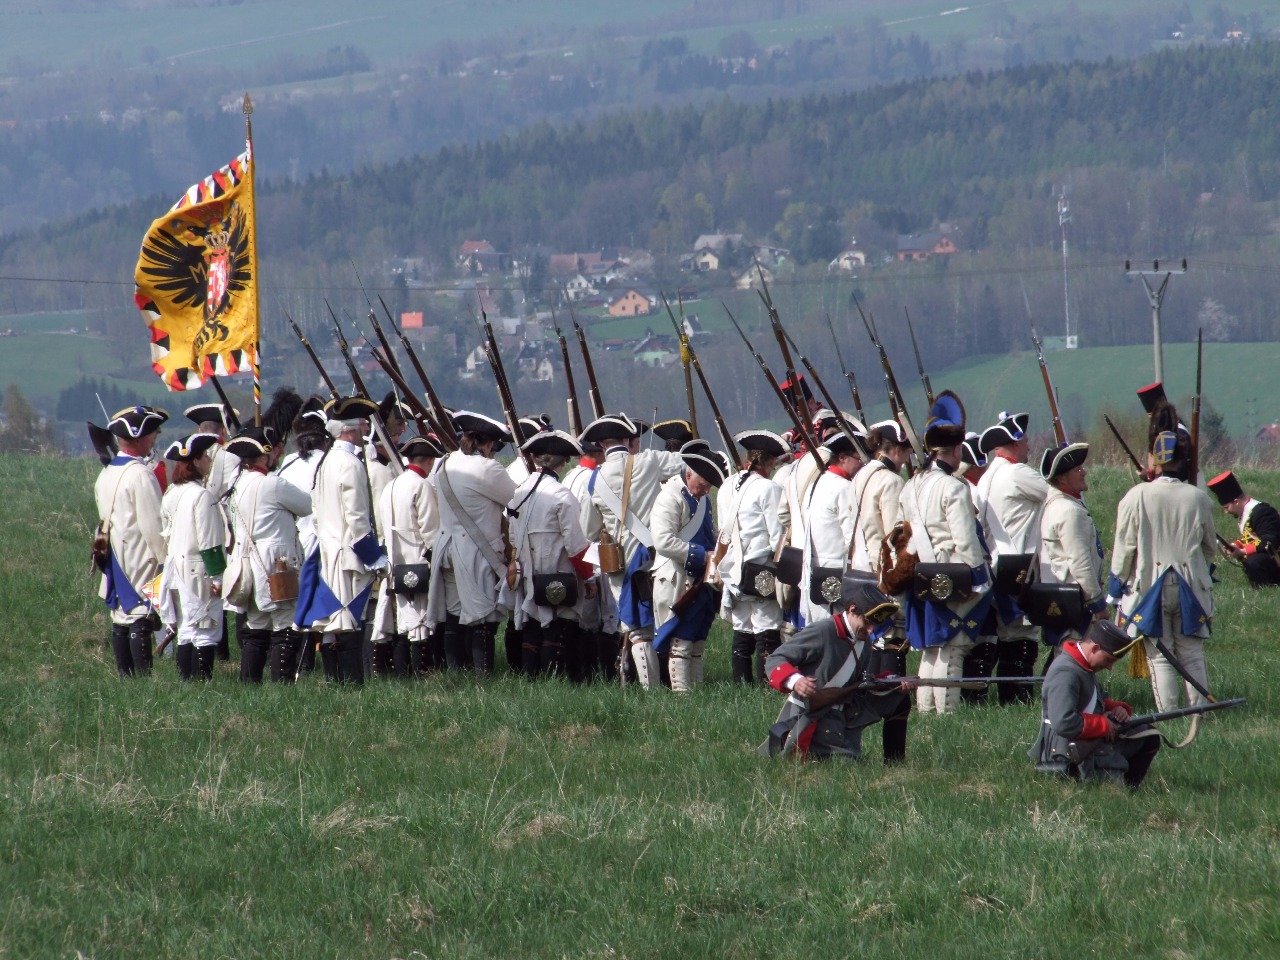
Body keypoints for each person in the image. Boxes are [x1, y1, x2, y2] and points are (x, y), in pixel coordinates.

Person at [1109, 399, 1216, 711]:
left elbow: (1124, 548)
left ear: (1155, 458)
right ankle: (1199, 713)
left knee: (1162, 654)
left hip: (1148, 585)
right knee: (1192, 653)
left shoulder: (1136, 496)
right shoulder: (1198, 498)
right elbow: (1210, 548)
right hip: (1191, 584)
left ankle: (1169, 715)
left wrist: (1116, 584)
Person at [897, 391, 993, 714]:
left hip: (922, 577)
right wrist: (979, 579)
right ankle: (946, 717)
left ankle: (926, 714)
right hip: (952, 578)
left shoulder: (911, 485)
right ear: (954, 451)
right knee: (951, 651)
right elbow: (966, 541)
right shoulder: (952, 487)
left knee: (930, 652)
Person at [579, 412, 684, 688]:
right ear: (628, 439)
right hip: (658, 555)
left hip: (622, 561)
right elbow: (686, 463)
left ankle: (651, 692)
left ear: (602, 445)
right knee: (665, 621)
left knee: (637, 631)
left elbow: (589, 530)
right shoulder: (648, 460)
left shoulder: (595, 480)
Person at [762, 577, 911, 762]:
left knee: (899, 698)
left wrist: (890, 684)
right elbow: (775, 659)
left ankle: (895, 762)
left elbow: (857, 684)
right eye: (867, 622)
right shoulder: (823, 631)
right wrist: (796, 681)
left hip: (843, 713)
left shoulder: (863, 642)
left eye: (875, 624)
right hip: (812, 717)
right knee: (846, 765)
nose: (871, 630)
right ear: (852, 609)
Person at [297, 397, 386, 684]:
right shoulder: (349, 464)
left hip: (327, 552)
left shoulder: (327, 460)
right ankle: (350, 685)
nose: (365, 430)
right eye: (363, 425)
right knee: (348, 623)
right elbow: (357, 520)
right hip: (348, 556)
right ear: (351, 428)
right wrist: (375, 557)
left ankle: (336, 684)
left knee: (333, 626)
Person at [426, 410, 516, 674]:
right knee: (483, 618)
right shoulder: (487, 469)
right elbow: (515, 500)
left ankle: (457, 674)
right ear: (487, 443)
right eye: (493, 445)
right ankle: (482, 678)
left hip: (447, 549)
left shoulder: (443, 463)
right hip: (477, 551)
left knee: (454, 617)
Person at [223, 427, 314, 683]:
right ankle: (282, 683)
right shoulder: (272, 484)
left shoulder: (236, 484)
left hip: (249, 565)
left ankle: (249, 681)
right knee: (284, 624)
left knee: (256, 624)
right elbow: (306, 505)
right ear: (265, 454)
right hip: (276, 565)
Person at [1029, 619, 1160, 788]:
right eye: (1107, 660)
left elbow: (1096, 700)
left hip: (1088, 739)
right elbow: (1064, 722)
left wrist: (1116, 708)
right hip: (1068, 751)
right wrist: (1103, 725)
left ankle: (1131, 786)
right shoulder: (1066, 672)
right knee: (1112, 787)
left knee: (1148, 735)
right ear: (1095, 648)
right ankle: (1116, 787)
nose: (1109, 667)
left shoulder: (1082, 666)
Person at [507, 430, 596, 679]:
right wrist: (588, 578)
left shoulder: (519, 493)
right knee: (556, 628)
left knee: (533, 626)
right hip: (557, 572)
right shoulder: (561, 495)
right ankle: (551, 681)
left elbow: (513, 538)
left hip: (527, 570)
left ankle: (531, 679)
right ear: (563, 461)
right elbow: (576, 546)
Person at [974, 411, 1048, 704]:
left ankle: (1010, 700)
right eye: (1026, 442)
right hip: (1021, 566)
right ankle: (1019, 700)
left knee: (1007, 637)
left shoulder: (988, 475)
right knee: (1023, 639)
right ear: (1014, 443)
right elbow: (1057, 494)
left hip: (998, 565)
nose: (1029, 447)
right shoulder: (1018, 474)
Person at [94, 404, 168, 677]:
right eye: (151, 434)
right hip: (138, 552)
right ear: (138, 437)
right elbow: (153, 524)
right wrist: (166, 559)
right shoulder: (141, 474)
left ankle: (127, 678)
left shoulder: (107, 471)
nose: (154, 439)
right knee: (139, 613)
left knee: (121, 616)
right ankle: (143, 678)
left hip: (115, 551)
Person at [651, 441, 725, 691]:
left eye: (708, 487)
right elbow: (663, 541)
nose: (704, 491)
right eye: (702, 485)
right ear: (689, 473)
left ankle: (697, 690)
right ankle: (683, 695)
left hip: (700, 578)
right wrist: (704, 556)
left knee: (698, 640)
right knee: (681, 641)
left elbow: (707, 532)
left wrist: (723, 545)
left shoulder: (701, 500)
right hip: (678, 576)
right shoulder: (669, 497)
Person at [718, 430, 788, 684]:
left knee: (743, 628)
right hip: (761, 568)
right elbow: (777, 536)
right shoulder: (768, 488)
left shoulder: (727, 486)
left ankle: (742, 684)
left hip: (734, 569)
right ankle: (769, 686)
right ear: (768, 461)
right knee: (767, 628)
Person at [371, 434, 444, 677]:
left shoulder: (392, 484)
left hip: (394, 560)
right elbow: (430, 530)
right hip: (418, 560)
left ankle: (402, 673)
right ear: (430, 461)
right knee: (420, 622)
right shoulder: (421, 485)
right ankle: (421, 673)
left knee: (401, 620)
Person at [158, 433, 225, 681]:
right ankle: (200, 683)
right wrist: (218, 577)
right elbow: (210, 543)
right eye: (205, 456)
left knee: (186, 629)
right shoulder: (202, 496)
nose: (209, 460)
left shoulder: (171, 493)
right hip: (198, 570)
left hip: (176, 570)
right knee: (205, 630)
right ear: (196, 461)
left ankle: (186, 682)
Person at [275, 397, 330, 674]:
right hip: (322, 542)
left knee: (298, 605)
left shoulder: (287, 464)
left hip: (295, 543)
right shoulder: (330, 463)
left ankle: (300, 663)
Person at [1037, 443, 1108, 649]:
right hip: (1075, 599)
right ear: (1061, 478)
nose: (1084, 472)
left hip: (1068, 597)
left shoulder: (1059, 505)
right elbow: (1079, 562)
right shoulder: (1069, 511)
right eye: (1077, 470)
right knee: (1074, 658)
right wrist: (1096, 602)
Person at [799, 425, 867, 627]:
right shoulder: (844, 488)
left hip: (816, 572)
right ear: (843, 457)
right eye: (858, 457)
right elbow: (851, 539)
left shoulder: (820, 482)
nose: (861, 463)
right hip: (836, 575)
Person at [1208, 470, 1280, 587]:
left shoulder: (1262, 512)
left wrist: (1242, 551)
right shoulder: (1248, 513)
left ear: (1236, 502)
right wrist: (1237, 545)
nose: (1226, 512)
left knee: (1253, 562)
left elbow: (1270, 541)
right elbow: (1251, 536)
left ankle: (1267, 587)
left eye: (1227, 507)